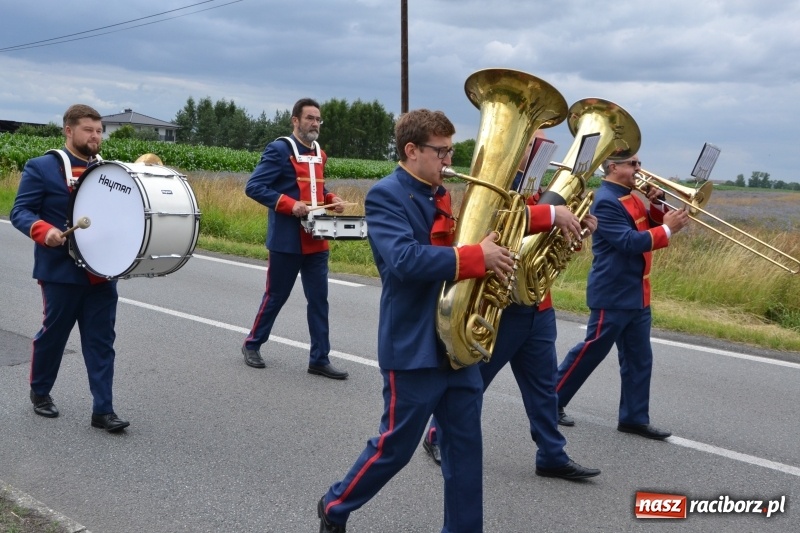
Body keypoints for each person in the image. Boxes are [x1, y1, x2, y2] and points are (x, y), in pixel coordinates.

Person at [317, 109, 517, 532]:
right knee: (395, 448)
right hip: (413, 345)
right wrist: (476, 256)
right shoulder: (386, 195)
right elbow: (405, 260)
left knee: (465, 452)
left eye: (450, 151)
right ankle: (335, 504)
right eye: (441, 151)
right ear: (411, 150)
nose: (449, 160)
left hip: (456, 345)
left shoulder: (439, 194)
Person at [423, 134, 601, 481]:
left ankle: (551, 454)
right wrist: (553, 214)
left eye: (544, 146)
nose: (540, 151)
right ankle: (436, 435)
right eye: (533, 144)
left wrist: (576, 227)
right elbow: (502, 222)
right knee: (474, 380)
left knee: (543, 388)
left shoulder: (542, 189)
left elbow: (549, 244)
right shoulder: (499, 184)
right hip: (500, 302)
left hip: (537, 302)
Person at [10, 104, 129, 432]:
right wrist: (43, 230)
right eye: (88, 130)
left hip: (100, 273)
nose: (95, 136)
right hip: (60, 272)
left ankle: (103, 410)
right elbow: (20, 211)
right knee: (54, 336)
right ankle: (40, 392)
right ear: (68, 130)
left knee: (101, 341)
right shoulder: (42, 167)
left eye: (99, 131)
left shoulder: (108, 172)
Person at [555, 155, 690, 439]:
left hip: (637, 291)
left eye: (639, 163)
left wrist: (657, 204)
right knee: (591, 351)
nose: (639, 169)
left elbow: (646, 225)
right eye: (632, 164)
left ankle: (633, 418)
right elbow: (628, 242)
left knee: (639, 358)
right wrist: (668, 229)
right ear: (614, 167)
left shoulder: (630, 196)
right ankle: (550, 402)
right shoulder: (606, 200)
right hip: (613, 292)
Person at [241, 98, 349, 379]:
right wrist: (289, 205)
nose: (315, 123)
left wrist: (331, 199)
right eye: (310, 118)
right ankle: (252, 344)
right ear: (295, 120)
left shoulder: (320, 153)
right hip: (287, 241)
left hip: (317, 240)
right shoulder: (279, 149)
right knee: (276, 296)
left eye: (318, 119)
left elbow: (316, 190)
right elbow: (254, 187)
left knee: (319, 301)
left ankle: (319, 359)